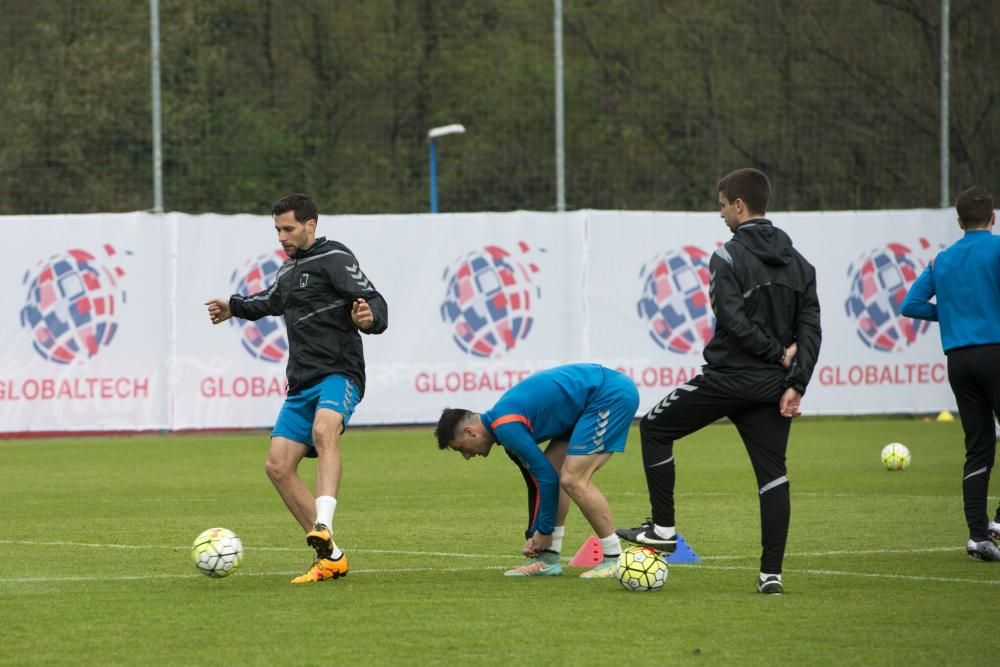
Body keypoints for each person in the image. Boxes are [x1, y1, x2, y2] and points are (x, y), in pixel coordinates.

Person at [617, 168, 821, 595]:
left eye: (723, 204)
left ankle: (664, 529)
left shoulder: (727, 256)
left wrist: (771, 354)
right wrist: (795, 383)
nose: (721, 213)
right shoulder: (802, 264)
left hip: (729, 379)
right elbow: (811, 332)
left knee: (654, 427)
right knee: (773, 477)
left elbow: (733, 320)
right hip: (771, 388)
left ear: (740, 205)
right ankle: (771, 575)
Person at [205, 193, 388, 583]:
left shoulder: (335, 257)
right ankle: (331, 556)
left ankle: (322, 523)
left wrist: (370, 317)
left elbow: (372, 298)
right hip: (301, 380)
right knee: (277, 466)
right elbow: (271, 302)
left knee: (325, 430)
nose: (282, 236)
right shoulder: (288, 272)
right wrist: (233, 306)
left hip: (340, 372)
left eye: (288, 228)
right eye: (277, 230)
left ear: (311, 225)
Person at [434, 364, 640, 578]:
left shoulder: (506, 426)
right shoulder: (503, 428)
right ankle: (549, 559)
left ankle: (615, 558)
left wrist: (544, 530)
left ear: (470, 432)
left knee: (573, 479)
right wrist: (535, 535)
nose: (466, 456)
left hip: (609, 394)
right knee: (555, 468)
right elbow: (537, 483)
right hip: (586, 405)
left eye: (460, 448)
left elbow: (547, 481)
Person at [901, 185, 1000, 562]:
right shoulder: (998, 247)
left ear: (959, 222)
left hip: (959, 360)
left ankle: (978, 536)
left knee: (978, 448)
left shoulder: (942, 260)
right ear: (993, 218)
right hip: (996, 351)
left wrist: (954, 313)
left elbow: (910, 304)